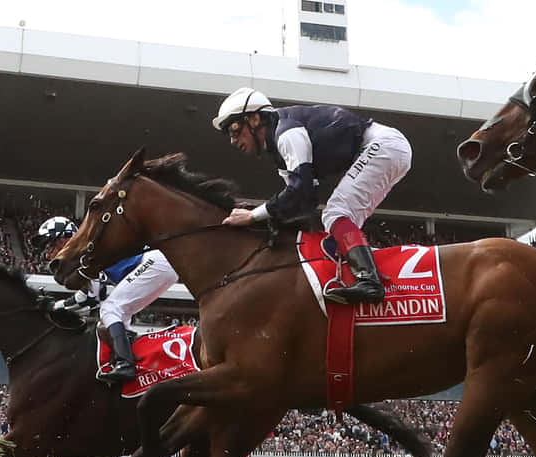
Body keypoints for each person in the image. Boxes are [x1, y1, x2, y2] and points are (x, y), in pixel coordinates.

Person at [214, 88, 413, 304]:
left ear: (254, 119)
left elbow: (300, 190)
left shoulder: (286, 133)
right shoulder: (279, 152)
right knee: (339, 226)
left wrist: (253, 216)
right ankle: (356, 276)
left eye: (234, 130)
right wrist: (264, 222)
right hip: (387, 149)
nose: (233, 140)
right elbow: (303, 202)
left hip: (382, 146)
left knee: (336, 213)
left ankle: (370, 282)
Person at [32, 216, 178, 384]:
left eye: (50, 246)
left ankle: (126, 364)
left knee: (110, 309)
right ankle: (135, 363)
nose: (49, 254)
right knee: (114, 319)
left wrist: (54, 306)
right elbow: (91, 299)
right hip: (158, 263)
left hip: (153, 262)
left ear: (63, 239)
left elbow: (88, 299)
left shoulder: (84, 250)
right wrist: (56, 306)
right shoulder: (85, 247)